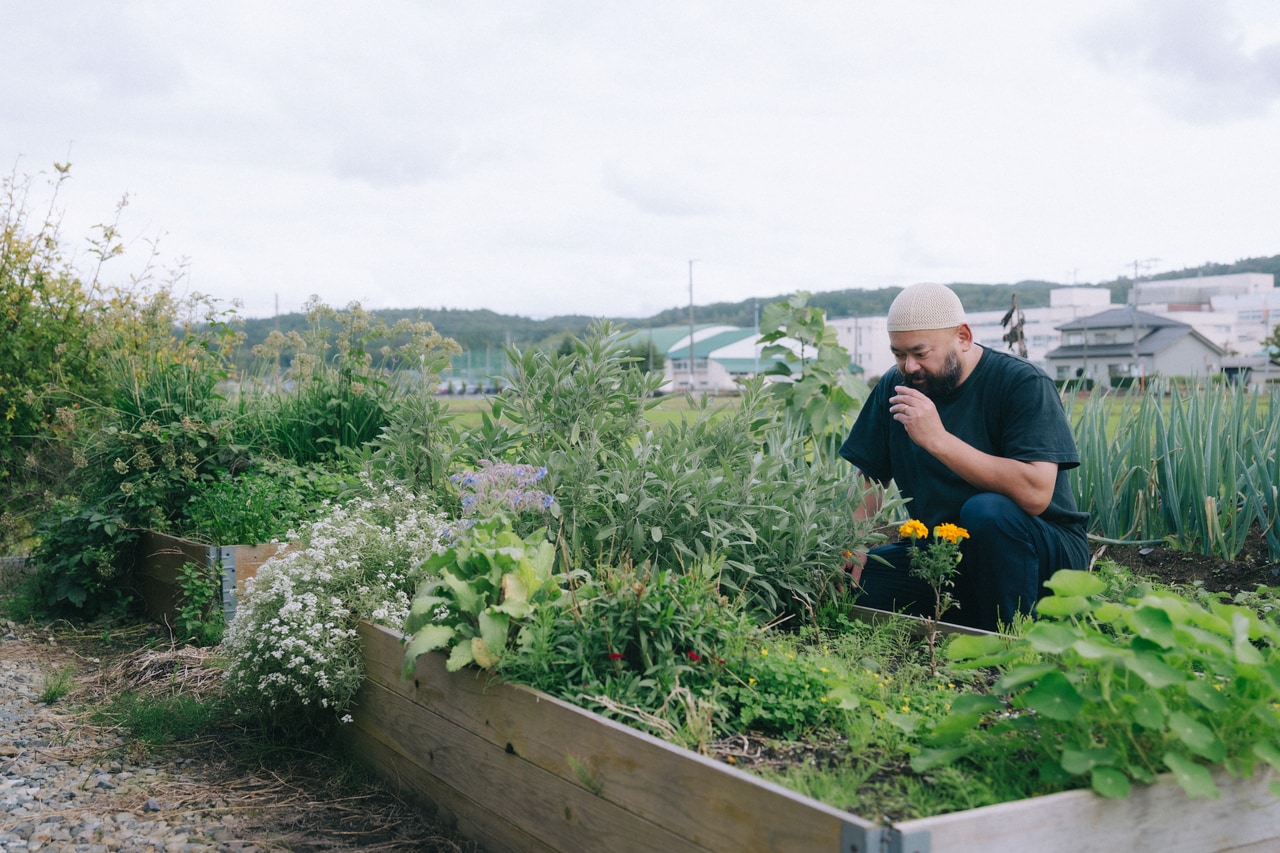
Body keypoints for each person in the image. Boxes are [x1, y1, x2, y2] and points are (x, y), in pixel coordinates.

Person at [839, 282, 1089, 632]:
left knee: (986, 512)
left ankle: (1014, 641)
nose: (909, 367)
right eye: (898, 354)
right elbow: (870, 477)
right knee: (853, 583)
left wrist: (938, 440)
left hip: (1041, 556)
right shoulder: (894, 389)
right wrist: (851, 547)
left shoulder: (1021, 384)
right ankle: (972, 614)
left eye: (921, 353)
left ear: (964, 337)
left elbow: (1035, 493)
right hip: (944, 555)